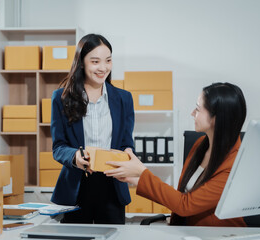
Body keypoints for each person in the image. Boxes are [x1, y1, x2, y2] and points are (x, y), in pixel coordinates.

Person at [105, 82, 247, 226]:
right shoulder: (200, 145)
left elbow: (185, 205)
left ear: (216, 118)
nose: (192, 113)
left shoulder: (233, 166)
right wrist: (134, 178)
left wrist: (142, 173)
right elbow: (183, 196)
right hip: (192, 231)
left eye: (198, 109)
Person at [50, 34, 135, 224]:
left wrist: (129, 154)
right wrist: (75, 157)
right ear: (81, 62)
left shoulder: (124, 99)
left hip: (113, 186)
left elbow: (126, 143)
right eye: (95, 61)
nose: (103, 68)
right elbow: (58, 147)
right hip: (77, 188)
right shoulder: (61, 98)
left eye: (108, 60)